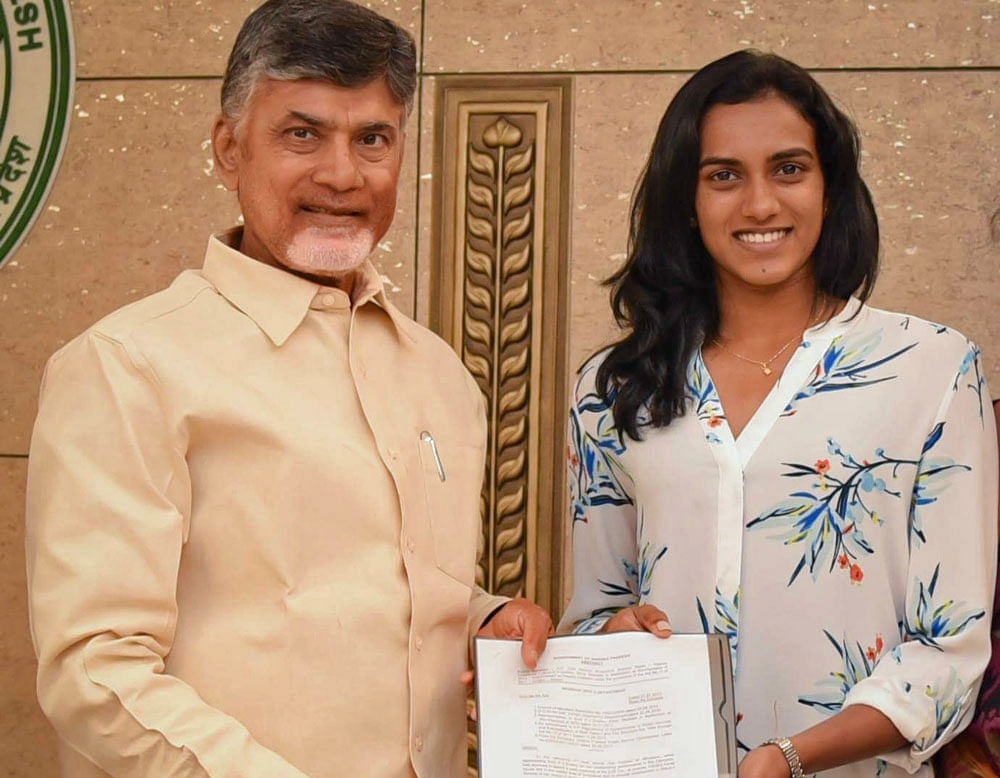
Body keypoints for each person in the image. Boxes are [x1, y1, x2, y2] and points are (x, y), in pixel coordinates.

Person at [25, 2, 551, 777]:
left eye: (372, 138)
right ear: (229, 149)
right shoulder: (127, 364)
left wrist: (483, 618)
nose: (341, 174)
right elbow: (94, 672)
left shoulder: (440, 375)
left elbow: (377, 594)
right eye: (301, 134)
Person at [559, 50, 997, 778]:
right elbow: (596, 611)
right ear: (686, 201)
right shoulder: (614, 387)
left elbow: (950, 651)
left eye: (789, 169)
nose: (760, 204)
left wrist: (789, 758)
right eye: (723, 175)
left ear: (830, 188)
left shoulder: (933, 369)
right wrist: (614, 634)